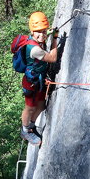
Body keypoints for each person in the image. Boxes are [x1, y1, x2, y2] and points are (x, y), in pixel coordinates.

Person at [20, 11, 58, 146]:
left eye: (44, 31)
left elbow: (41, 36)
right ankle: (25, 130)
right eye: (38, 32)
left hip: (39, 80)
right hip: (31, 83)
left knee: (41, 106)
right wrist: (54, 39)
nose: (42, 35)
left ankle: (31, 126)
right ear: (31, 31)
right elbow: (52, 58)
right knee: (30, 108)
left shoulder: (36, 39)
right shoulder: (34, 49)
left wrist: (48, 33)